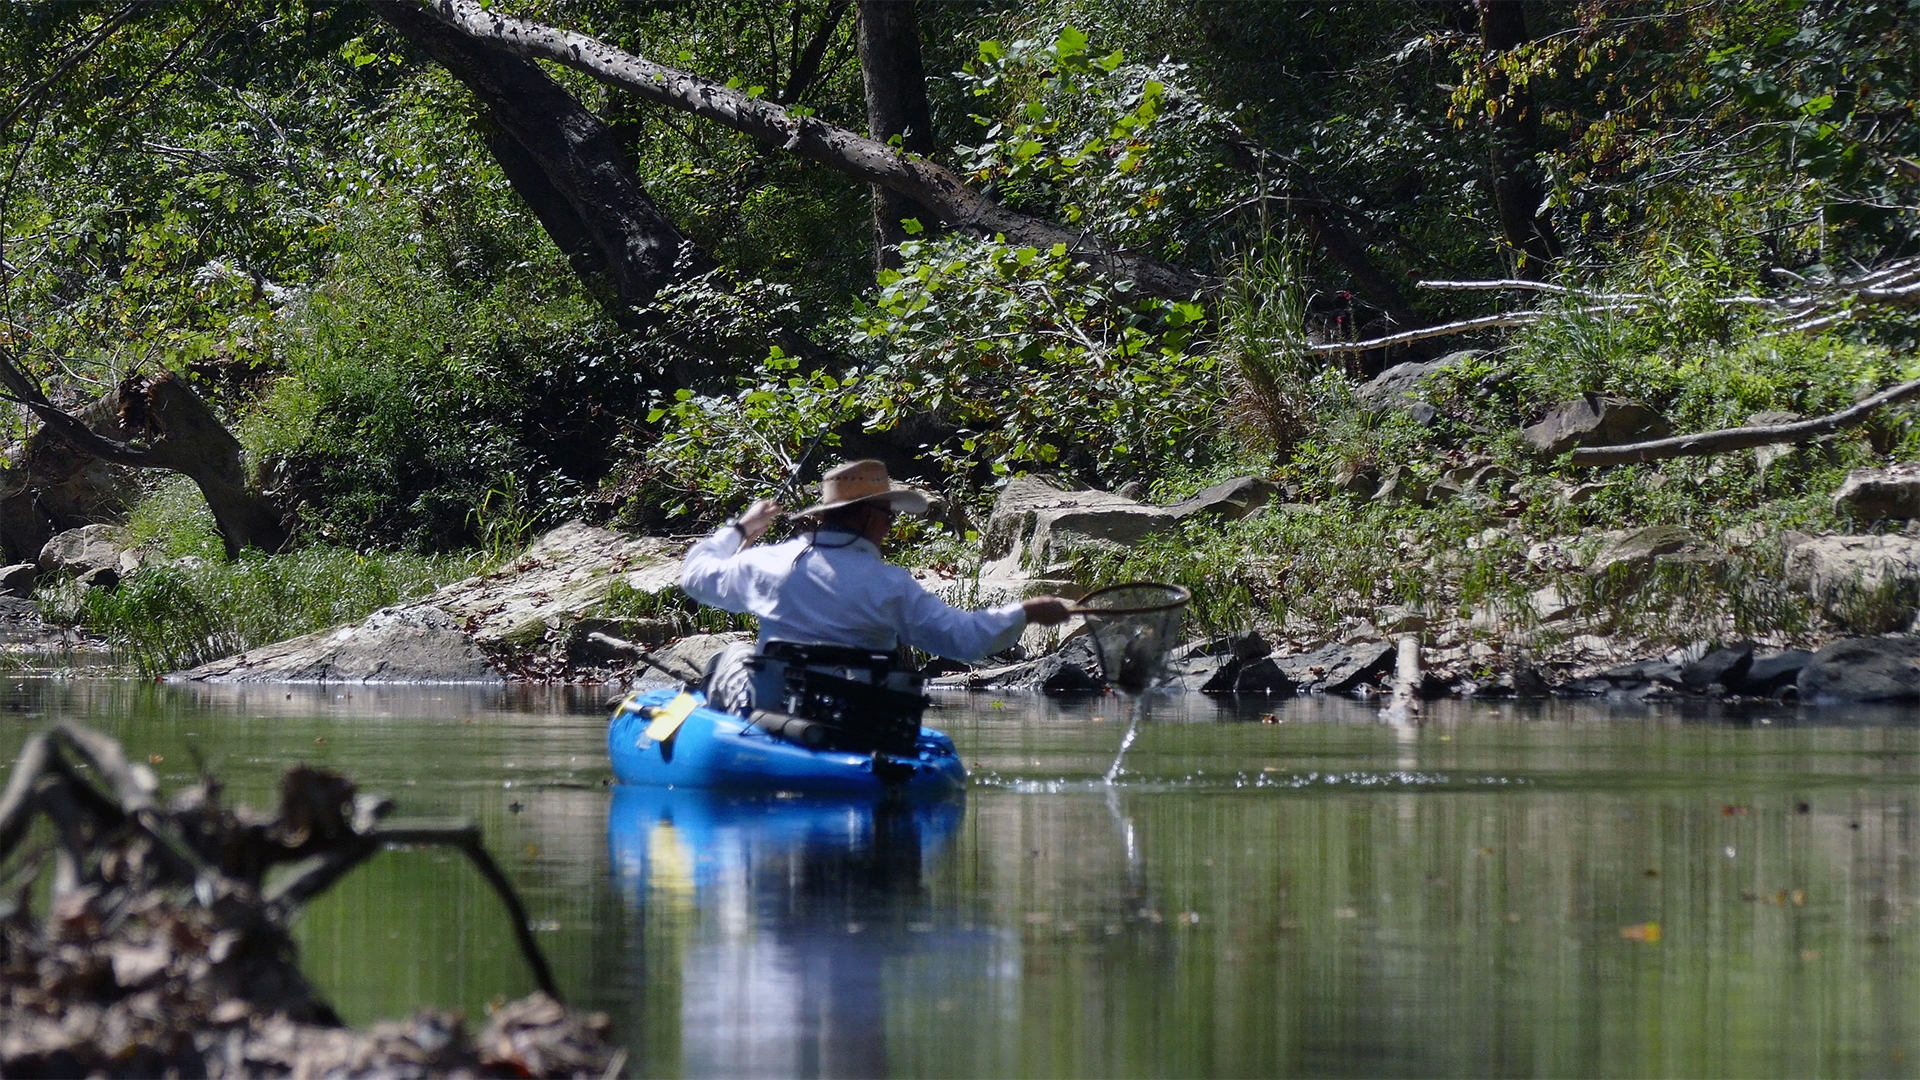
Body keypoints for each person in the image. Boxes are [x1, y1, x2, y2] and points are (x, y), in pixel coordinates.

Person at [680, 459, 1071, 717]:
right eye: (888, 515)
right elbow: (963, 639)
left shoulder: (766, 563)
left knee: (733, 655)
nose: (891, 525)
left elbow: (695, 575)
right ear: (867, 516)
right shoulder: (891, 585)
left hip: (775, 714)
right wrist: (1026, 612)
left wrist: (741, 529)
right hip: (856, 724)